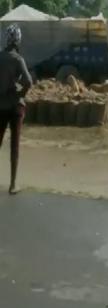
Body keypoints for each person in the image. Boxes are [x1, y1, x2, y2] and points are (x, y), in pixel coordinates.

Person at [0, 24, 32, 195]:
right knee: (15, 145)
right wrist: (20, 93)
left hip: (1, 106)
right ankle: (13, 184)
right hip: (16, 107)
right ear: (18, 40)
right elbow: (29, 82)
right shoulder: (18, 59)